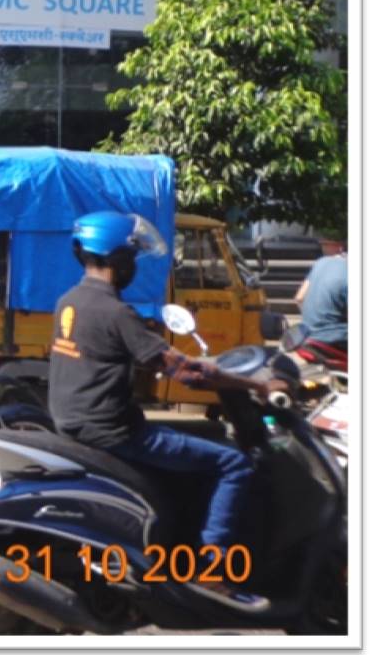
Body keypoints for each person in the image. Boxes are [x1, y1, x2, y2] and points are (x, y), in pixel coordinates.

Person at [50, 210, 269, 612]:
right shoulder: (117, 313)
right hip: (114, 431)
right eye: (131, 258)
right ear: (117, 261)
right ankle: (214, 570)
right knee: (233, 463)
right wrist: (258, 384)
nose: (134, 267)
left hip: (75, 424)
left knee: (203, 443)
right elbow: (187, 374)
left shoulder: (69, 301)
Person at [294, 248, 348, 355]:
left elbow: (299, 298)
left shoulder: (321, 262)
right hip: (335, 341)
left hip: (307, 338)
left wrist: (314, 323)